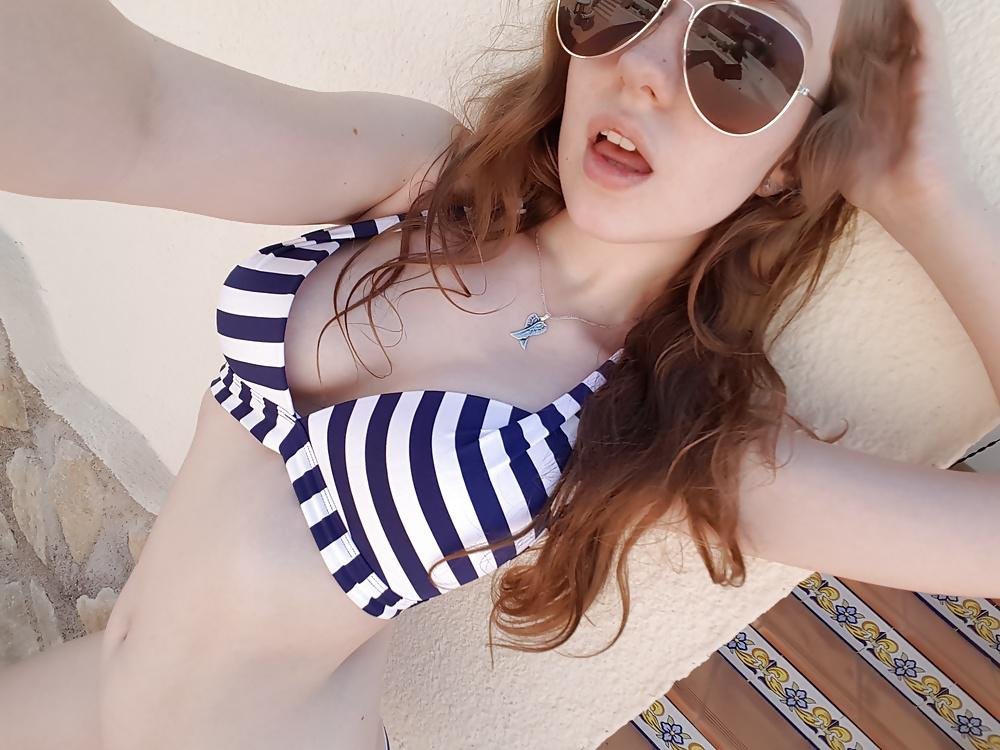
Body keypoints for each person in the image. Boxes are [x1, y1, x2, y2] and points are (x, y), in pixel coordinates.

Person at [0, 0, 996, 748]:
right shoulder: (427, 181)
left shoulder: (663, 429)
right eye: (626, 0)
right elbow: (142, 111)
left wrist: (930, 196)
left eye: (741, 53)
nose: (642, 67)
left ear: (790, 159)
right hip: (88, 695)